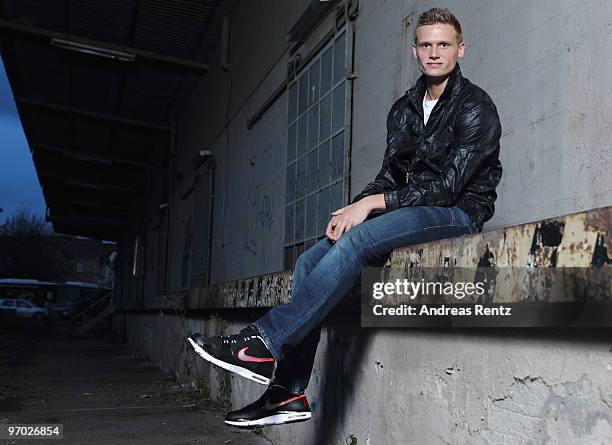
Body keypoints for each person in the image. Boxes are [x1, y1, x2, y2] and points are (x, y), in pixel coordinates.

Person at [187, 7, 502, 428]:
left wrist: (372, 206)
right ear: (414, 51)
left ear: (459, 49)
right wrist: (353, 208)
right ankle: (287, 393)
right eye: (425, 44)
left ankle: (263, 340)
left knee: (358, 242)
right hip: (408, 208)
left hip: (457, 212)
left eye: (443, 44)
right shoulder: (404, 109)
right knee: (308, 261)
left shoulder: (475, 106)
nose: (434, 52)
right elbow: (390, 174)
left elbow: (448, 186)